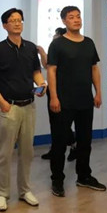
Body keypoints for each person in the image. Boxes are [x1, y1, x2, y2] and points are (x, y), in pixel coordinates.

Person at [0, 8, 46, 212]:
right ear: (5, 25)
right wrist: (1, 101)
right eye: (12, 20)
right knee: (4, 153)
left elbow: (36, 73)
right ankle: (2, 194)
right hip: (8, 107)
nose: (17, 23)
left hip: (29, 106)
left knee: (27, 152)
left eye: (20, 20)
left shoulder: (30, 48)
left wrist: (41, 84)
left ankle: (24, 190)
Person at [47, 6, 106, 197]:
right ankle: (57, 180)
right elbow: (51, 71)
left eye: (78, 16)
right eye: (71, 17)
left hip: (85, 100)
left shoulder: (88, 43)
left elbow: (94, 69)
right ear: (64, 21)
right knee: (59, 142)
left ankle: (84, 176)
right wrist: (54, 96)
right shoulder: (57, 44)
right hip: (63, 101)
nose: (76, 20)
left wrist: (98, 93)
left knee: (85, 141)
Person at [38, 28, 76, 162]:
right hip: (53, 90)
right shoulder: (55, 49)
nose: (53, 38)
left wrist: (42, 52)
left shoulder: (66, 51)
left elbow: (49, 65)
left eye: (56, 36)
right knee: (55, 122)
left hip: (63, 91)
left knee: (61, 123)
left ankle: (73, 145)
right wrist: (42, 53)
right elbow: (46, 65)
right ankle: (55, 149)